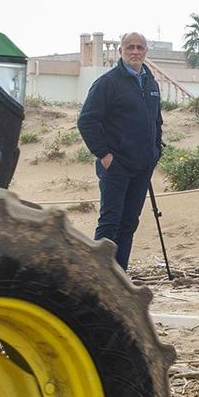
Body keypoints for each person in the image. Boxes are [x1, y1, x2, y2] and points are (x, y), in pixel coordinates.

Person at [75, 31, 163, 269]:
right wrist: (105, 155)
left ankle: (120, 277)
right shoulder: (108, 82)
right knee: (109, 225)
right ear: (120, 51)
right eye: (130, 47)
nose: (135, 51)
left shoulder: (150, 82)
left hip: (142, 168)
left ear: (146, 51)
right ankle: (99, 279)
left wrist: (156, 151)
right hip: (116, 168)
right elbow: (87, 121)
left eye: (140, 47)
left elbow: (156, 120)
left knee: (128, 224)